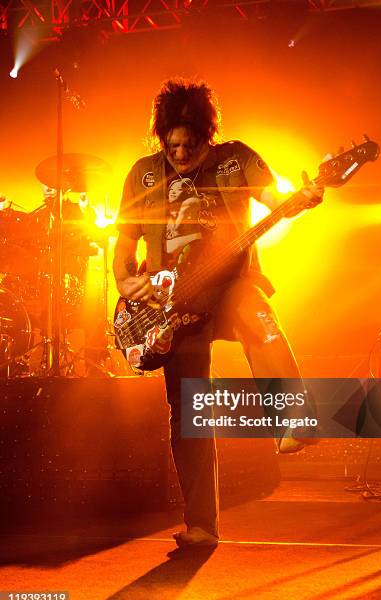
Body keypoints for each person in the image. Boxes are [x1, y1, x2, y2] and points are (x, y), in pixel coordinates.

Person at [113, 78, 322, 549]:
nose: (181, 154)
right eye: (172, 145)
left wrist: (303, 200)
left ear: (207, 135)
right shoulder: (143, 175)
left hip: (228, 284)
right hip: (173, 304)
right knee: (189, 414)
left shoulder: (236, 158)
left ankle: (295, 416)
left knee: (257, 315)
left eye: (190, 144)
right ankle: (201, 526)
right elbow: (124, 248)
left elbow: (275, 202)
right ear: (161, 137)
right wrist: (129, 284)